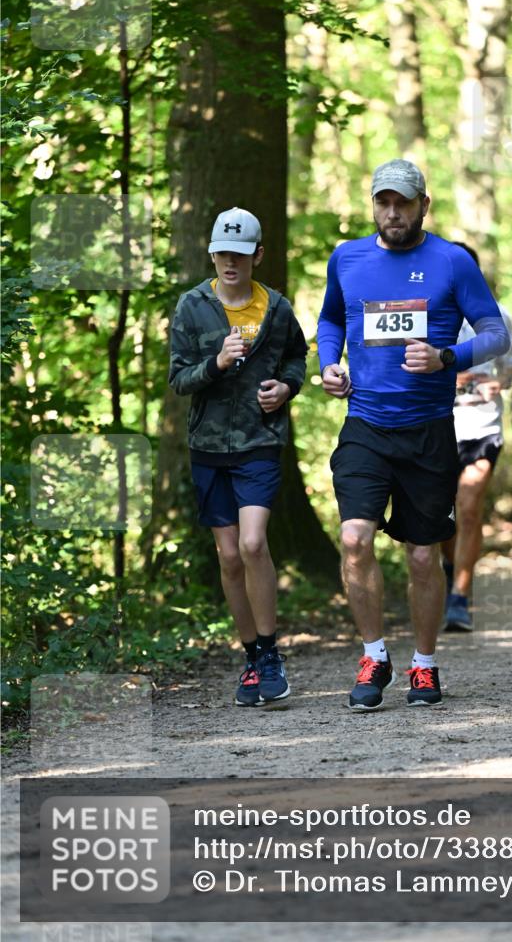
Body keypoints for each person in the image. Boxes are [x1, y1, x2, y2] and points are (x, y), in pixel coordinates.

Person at [317, 159, 510, 710]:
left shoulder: (451, 261)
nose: (392, 212)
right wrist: (331, 362)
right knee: (355, 539)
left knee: (424, 559)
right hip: (366, 426)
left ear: (424, 204)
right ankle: (374, 655)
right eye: (384, 202)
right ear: (373, 205)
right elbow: (331, 320)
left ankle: (424, 666)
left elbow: (495, 333)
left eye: (403, 202)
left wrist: (447, 356)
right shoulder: (348, 258)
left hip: (428, 432)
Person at [169, 207, 307, 706]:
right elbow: (180, 378)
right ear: (212, 254)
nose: (232, 263)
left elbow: (298, 356)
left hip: (259, 443)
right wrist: (218, 363)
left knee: (252, 545)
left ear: (258, 256)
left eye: (242, 255)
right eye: (224, 254)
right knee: (228, 557)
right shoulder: (191, 307)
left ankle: (270, 653)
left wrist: (287, 388)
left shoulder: (276, 308)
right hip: (208, 446)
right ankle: (250, 656)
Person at [441, 243, 512, 632]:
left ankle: (459, 596)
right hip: (437, 428)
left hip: (483, 428)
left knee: (469, 507)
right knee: (442, 514)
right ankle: (450, 566)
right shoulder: (431, 314)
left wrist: (498, 384)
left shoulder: (497, 315)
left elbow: (509, 368)